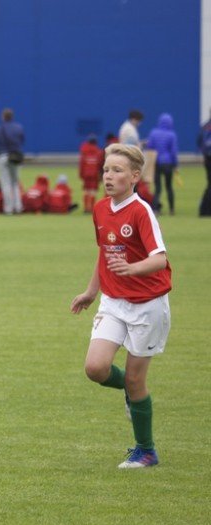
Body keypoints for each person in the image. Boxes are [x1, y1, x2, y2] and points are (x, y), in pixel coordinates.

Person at [70, 143, 171, 469]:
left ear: (135, 176)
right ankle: (129, 390)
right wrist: (91, 291)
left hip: (147, 305)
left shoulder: (141, 211)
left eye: (116, 170)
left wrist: (132, 268)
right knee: (95, 368)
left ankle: (146, 450)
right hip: (114, 301)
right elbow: (105, 253)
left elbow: (160, 259)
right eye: (105, 170)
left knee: (136, 380)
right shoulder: (101, 209)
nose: (108, 176)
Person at [145, 113, 178, 215]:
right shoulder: (172, 135)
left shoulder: (153, 133)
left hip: (157, 162)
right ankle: (171, 209)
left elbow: (149, 147)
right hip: (168, 163)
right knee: (169, 187)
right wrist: (175, 165)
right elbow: (173, 151)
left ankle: (155, 209)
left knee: (158, 188)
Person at [0, 108, 25, 215]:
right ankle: (18, 207)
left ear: (3, 117)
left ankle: (8, 208)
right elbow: (21, 140)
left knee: (5, 183)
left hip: (3, 156)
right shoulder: (19, 127)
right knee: (15, 182)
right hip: (15, 156)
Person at [79, 135, 104, 213]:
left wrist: (81, 174)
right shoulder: (98, 152)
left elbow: (82, 164)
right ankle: (92, 208)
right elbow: (100, 164)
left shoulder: (84, 151)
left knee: (86, 190)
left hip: (86, 174)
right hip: (95, 174)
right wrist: (101, 174)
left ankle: (86, 208)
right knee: (93, 191)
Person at [198, 109, 211, 217]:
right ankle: (205, 210)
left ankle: (204, 209)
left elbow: (199, 141)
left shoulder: (205, 126)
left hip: (207, 158)